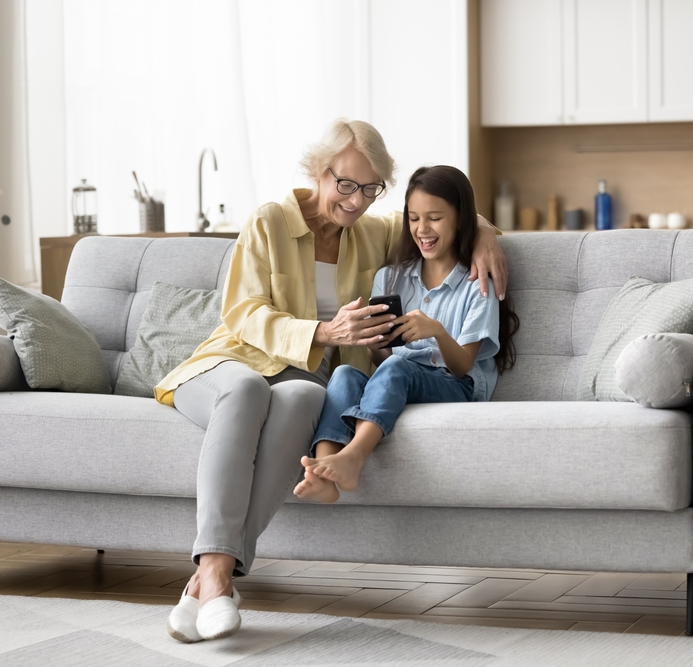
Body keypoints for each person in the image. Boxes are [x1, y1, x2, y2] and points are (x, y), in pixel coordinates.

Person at [159, 120, 509, 643]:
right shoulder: (270, 222)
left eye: (371, 189)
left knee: (307, 392)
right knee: (249, 388)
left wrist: (485, 239)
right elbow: (242, 312)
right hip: (229, 365)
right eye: (346, 184)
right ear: (318, 172)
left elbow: (442, 212)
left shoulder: (372, 230)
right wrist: (323, 329)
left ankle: (211, 579)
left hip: (298, 376)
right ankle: (213, 574)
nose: (356, 200)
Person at [294, 165, 519, 503]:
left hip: (456, 384)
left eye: (434, 218)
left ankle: (354, 457)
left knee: (398, 369)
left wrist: (437, 332)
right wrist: (376, 343)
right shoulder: (390, 278)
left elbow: (461, 368)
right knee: (342, 375)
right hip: (400, 376)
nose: (422, 229)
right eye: (414, 218)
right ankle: (323, 469)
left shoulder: (477, 284)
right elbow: (385, 361)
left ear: (460, 219)